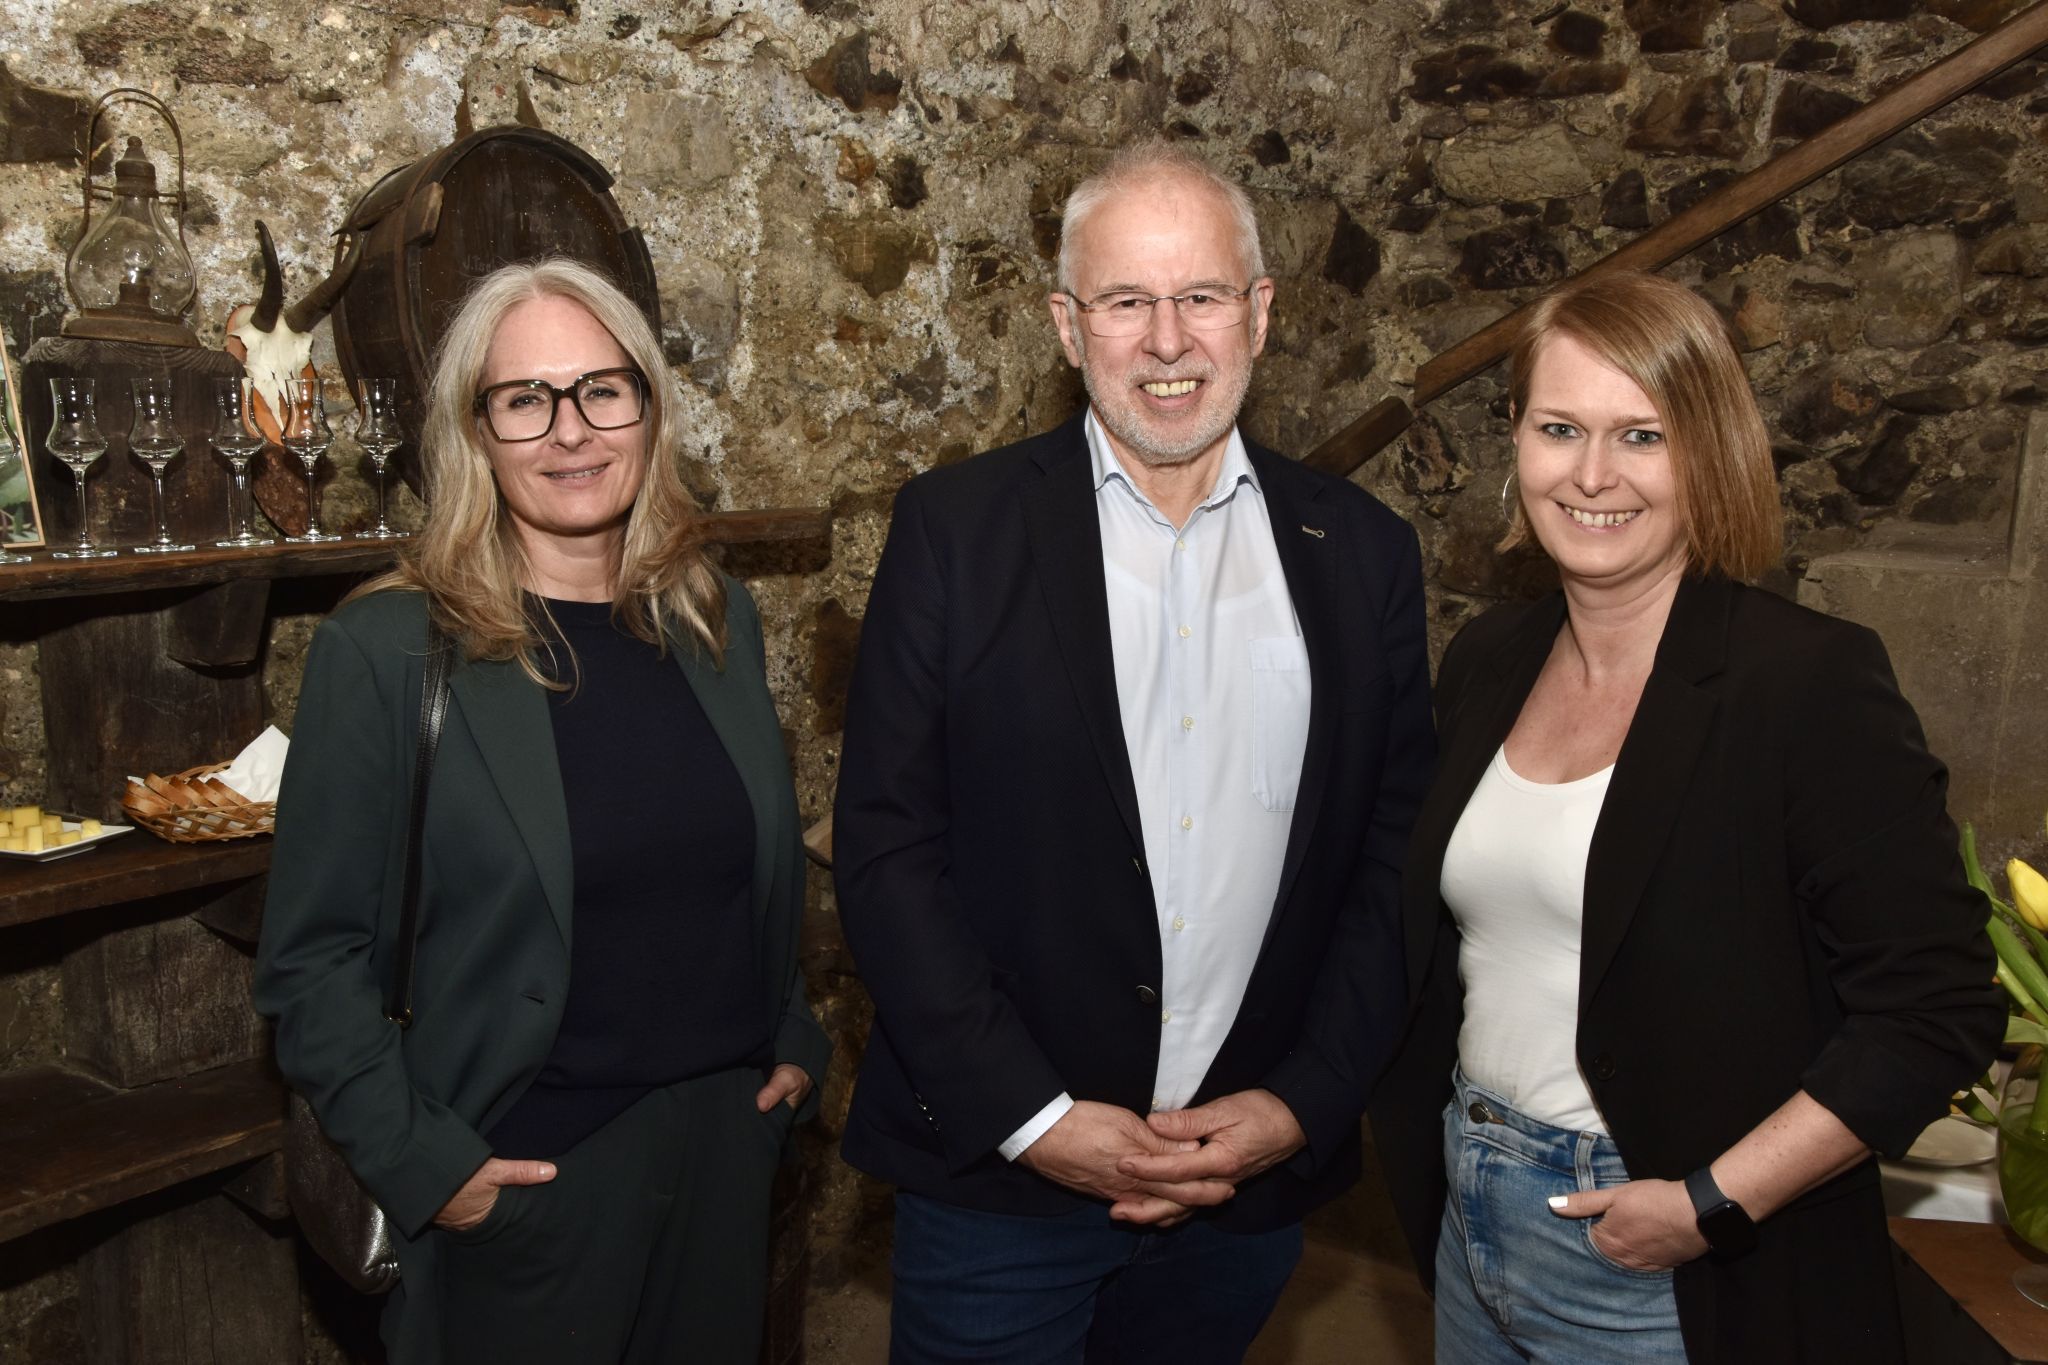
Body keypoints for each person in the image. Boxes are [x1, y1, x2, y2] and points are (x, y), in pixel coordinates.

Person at [832, 140, 1434, 1363]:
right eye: (1124, 301)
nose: (1167, 341)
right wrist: (1035, 1118)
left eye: (1201, 295)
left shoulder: (1360, 552)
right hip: (1002, 1187)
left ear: (1258, 315)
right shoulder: (955, 533)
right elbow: (887, 852)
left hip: (1242, 1191)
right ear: (1067, 326)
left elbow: (1390, 865)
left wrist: (1301, 1103)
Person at [1369, 269, 2004, 1364]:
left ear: (1707, 453)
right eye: (1558, 427)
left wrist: (1708, 1202)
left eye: (1641, 436)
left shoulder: (1802, 685)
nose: (1592, 474)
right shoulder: (1489, 660)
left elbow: (1932, 1011)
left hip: (1660, 1247)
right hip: (1469, 1209)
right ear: (1515, 446)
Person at [253, 258, 830, 1364]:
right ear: (475, 432)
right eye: (525, 401)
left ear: (648, 408)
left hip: (726, 1156)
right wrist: (434, 1172)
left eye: (601, 390)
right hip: (526, 1182)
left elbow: (752, 867)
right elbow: (311, 962)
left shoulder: (717, 622)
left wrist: (795, 1042)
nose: (570, 431)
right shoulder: (386, 651)